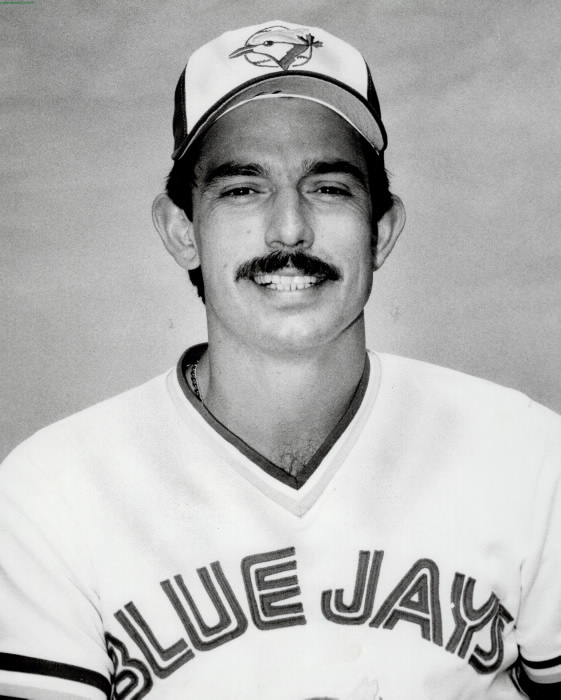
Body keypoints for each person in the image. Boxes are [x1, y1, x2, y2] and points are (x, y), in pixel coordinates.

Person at [0, 19, 560, 700]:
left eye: (329, 188)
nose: (289, 229)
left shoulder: (529, 456)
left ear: (381, 231)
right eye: (243, 188)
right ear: (182, 231)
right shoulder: (49, 497)